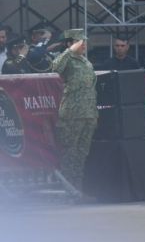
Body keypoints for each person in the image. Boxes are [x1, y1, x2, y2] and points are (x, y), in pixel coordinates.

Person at [51, 29, 98, 193]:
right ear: (70, 43)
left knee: (81, 153)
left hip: (88, 114)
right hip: (72, 114)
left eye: (84, 41)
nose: (84, 44)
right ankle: (69, 189)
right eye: (80, 42)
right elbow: (55, 67)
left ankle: (78, 188)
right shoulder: (67, 60)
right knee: (70, 152)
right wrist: (68, 51)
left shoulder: (86, 62)